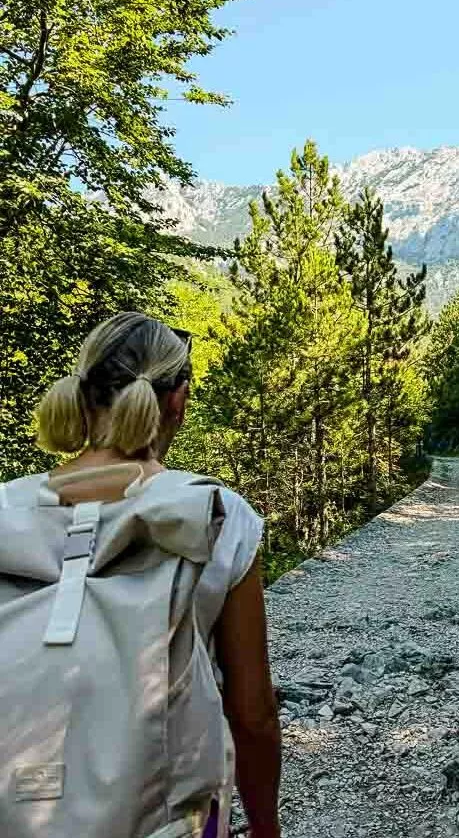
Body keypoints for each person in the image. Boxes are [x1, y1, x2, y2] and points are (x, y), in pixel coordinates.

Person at [30, 311, 282, 838]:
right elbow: (252, 715)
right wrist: (265, 827)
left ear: (83, 394)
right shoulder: (215, 515)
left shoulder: (8, 514)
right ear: (177, 399)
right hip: (164, 818)